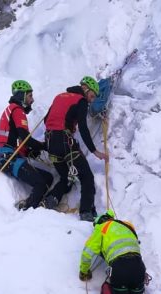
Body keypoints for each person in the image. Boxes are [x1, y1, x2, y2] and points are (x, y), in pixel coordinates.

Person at [44, 76, 108, 221]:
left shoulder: (59, 96)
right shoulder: (81, 100)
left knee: (65, 177)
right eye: (92, 96)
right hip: (65, 141)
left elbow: (46, 120)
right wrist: (94, 151)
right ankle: (86, 212)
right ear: (86, 88)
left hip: (50, 143)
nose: (92, 100)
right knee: (87, 177)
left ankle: (52, 198)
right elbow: (84, 127)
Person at [0, 79, 56, 211]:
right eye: (29, 96)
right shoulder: (17, 111)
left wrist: (27, 152)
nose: (32, 100)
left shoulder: (10, 110)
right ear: (21, 96)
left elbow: (16, 140)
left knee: (48, 177)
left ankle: (37, 203)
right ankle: (27, 209)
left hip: (9, 156)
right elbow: (25, 138)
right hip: (9, 158)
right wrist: (44, 146)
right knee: (40, 183)